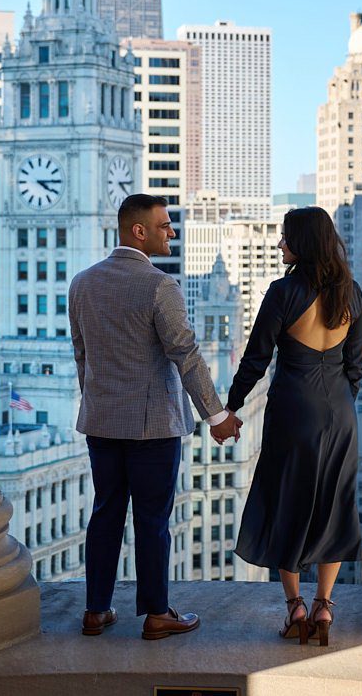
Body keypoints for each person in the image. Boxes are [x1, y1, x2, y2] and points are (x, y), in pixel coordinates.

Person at [70, 193, 243, 640]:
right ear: (138, 231)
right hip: (152, 428)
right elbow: (185, 353)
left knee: (105, 512)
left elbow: (81, 355)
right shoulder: (159, 286)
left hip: (101, 422)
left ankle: (96, 611)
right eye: (165, 225)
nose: (172, 232)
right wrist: (217, 414)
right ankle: (157, 613)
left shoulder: (82, 283)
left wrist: (96, 403)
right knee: (152, 520)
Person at [226, 206, 362, 646]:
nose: (280, 244)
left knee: (284, 500)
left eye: (285, 237)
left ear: (302, 243)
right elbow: (355, 367)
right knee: (333, 504)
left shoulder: (282, 292)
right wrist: (339, 407)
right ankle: (325, 606)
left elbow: (255, 360)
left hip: (292, 410)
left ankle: (296, 609)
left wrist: (230, 408)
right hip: (340, 412)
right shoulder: (352, 293)